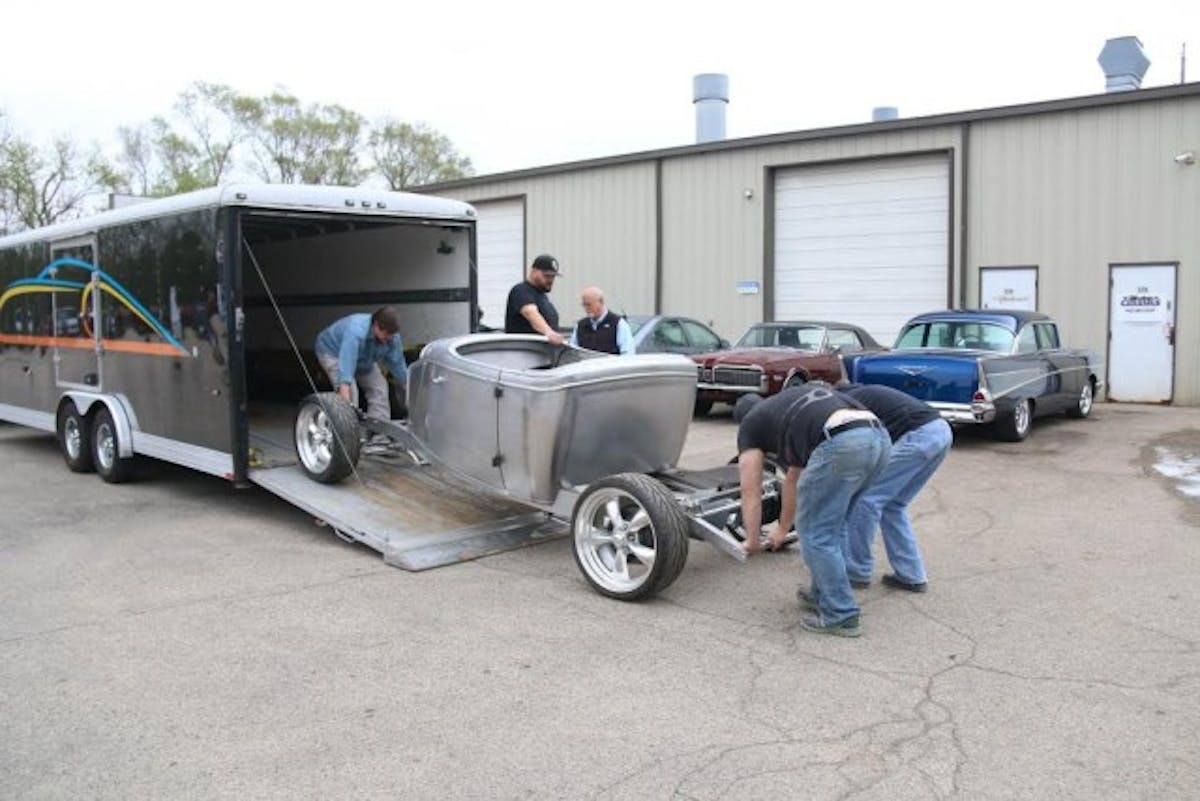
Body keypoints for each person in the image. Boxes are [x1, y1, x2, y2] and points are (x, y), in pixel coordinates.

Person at [734, 383, 891, 637]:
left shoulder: (750, 425)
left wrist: (752, 540)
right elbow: (792, 480)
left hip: (842, 441)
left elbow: (750, 490)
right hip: (879, 438)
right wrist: (783, 528)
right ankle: (822, 593)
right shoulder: (786, 411)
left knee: (817, 533)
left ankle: (841, 613)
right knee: (835, 525)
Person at [838, 383, 954, 593]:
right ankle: (911, 575)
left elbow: (857, 446)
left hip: (919, 436)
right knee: (893, 505)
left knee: (866, 500)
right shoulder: (865, 394)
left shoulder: (847, 404)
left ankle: (856, 571)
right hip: (941, 432)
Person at [314, 306, 408, 425]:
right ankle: (347, 427)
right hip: (333, 353)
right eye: (386, 334)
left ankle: (378, 428)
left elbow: (398, 365)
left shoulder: (392, 337)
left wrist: (408, 388)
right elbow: (346, 365)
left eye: (392, 335)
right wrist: (346, 399)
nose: (388, 338)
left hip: (364, 358)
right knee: (351, 393)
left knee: (379, 387)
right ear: (376, 325)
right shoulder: (355, 331)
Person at [505, 254, 564, 345]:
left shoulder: (542, 297)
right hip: (523, 350)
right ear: (534, 272)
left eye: (553, 276)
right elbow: (530, 313)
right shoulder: (521, 290)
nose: (550, 280)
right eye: (546, 276)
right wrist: (549, 333)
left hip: (543, 352)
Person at [569, 286, 633, 354]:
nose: (586, 308)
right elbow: (573, 351)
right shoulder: (580, 325)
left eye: (589, 305)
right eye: (584, 305)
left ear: (601, 302)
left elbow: (627, 353)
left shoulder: (618, 324)